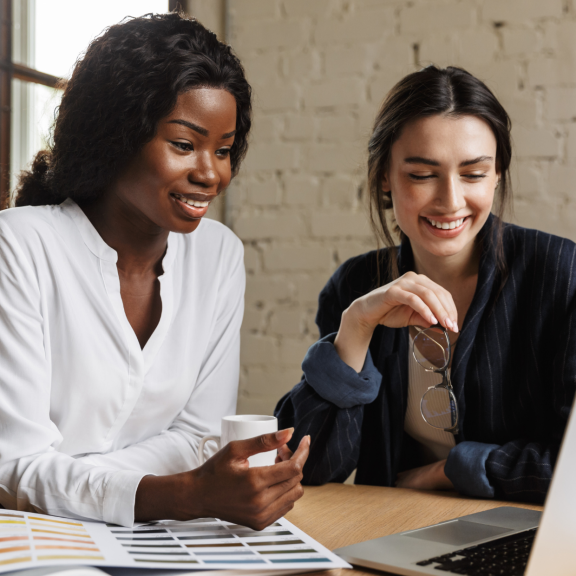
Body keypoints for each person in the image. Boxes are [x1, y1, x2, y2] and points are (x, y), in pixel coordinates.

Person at [0, 12, 309, 529]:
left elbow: (200, 437)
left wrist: (68, 480)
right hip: (35, 542)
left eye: (225, 150)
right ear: (116, 135)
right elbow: (12, 465)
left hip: (153, 536)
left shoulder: (219, 256)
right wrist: (185, 494)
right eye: (184, 144)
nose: (211, 173)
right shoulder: (20, 246)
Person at [275, 65, 576, 504]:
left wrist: (450, 471)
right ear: (385, 177)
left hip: (521, 535)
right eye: (421, 175)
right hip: (391, 533)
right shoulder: (357, 284)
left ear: (497, 174)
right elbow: (309, 466)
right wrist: (356, 329)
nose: (450, 200)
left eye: (473, 174)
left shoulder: (561, 274)